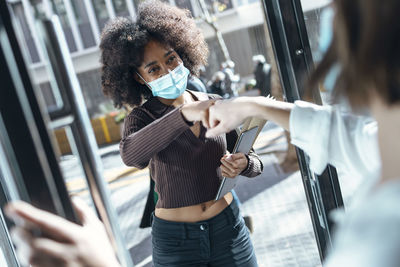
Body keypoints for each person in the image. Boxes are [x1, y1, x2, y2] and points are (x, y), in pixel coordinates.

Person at [100, 1, 262, 266]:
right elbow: (131, 155)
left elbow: (255, 162)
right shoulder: (141, 118)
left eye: (171, 59)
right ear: (140, 78)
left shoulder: (213, 101)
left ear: (182, 53)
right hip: (177, 243)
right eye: (153, 69)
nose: (168, 71)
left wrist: (245, 163)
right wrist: (184, 114)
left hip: (229, 229)